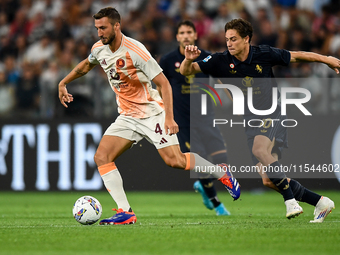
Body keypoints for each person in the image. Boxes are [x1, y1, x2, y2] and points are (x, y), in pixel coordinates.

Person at [58, 7, 241, 225]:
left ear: (117, 26)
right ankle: (125, 212)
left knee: (176, 161)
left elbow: (164, 83)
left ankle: (221, 173)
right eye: (97, 28)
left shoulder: (136, 50)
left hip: (151, 112)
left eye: (103, 28)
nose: (99, 33)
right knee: (102, 157)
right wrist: (63, 82)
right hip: (127, 115)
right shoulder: (99, 49)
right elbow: (86, 65)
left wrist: (169, 118)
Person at [180, 18, 339, 222]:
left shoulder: (263, 54)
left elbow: (298, 56)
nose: (229, 43)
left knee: (259, 150)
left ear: (246, 39)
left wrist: (327, 59)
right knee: (268, 180)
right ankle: (320, 202)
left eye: (234, 39)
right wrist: (187, 59)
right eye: (227, 39)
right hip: (250, 119)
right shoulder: (220, 61)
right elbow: (187, 71)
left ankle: (290, 201)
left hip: (273, 111)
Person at [159, 20, 230, 216]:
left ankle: (203, 185)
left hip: (206, 118)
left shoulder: (207, 57)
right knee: (200, 161)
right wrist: (164, 114)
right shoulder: (167, 60)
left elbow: (222, 80)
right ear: (177, 37)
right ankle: (217, 204)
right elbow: (159, 86)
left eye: (189, 32)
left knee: (222, 160)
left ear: (195, 35)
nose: (186, 35)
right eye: (182, 32)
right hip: (183, 122)